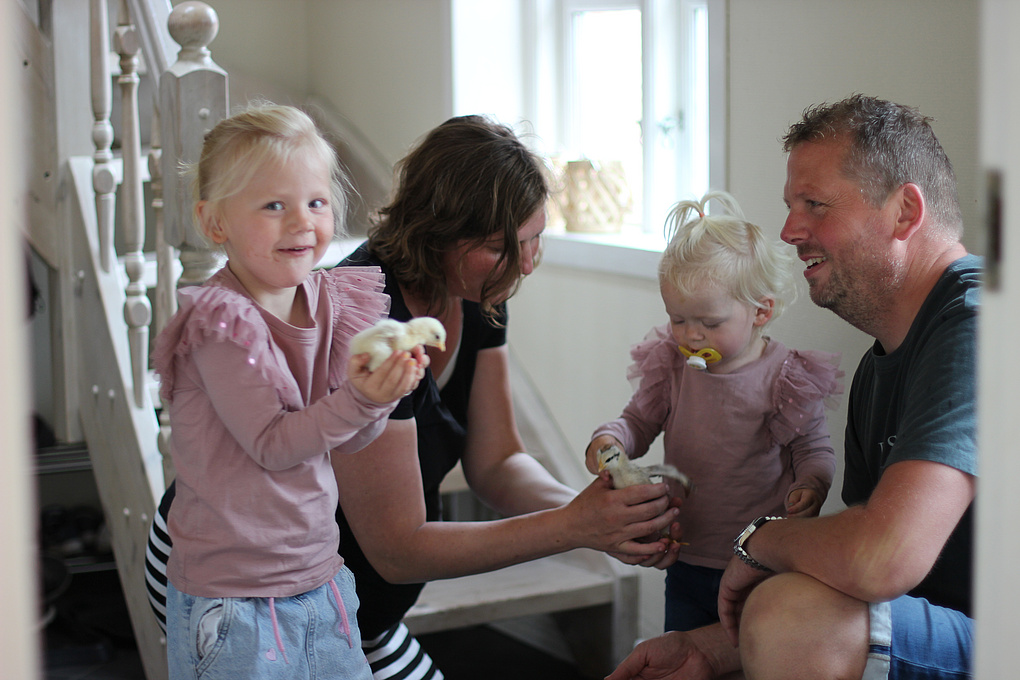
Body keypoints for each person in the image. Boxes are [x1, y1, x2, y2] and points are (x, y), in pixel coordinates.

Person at [148, 114, 682, 680]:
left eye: (534, 239)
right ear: (439, 234)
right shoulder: (367, 318)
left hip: (344, 599)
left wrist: (601, 513)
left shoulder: (476, 292)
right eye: (504, 246)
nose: (525, 264)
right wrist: (575, 528)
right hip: (248, 580)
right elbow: (397, 547)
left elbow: (497, 464)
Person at [607, 94, 978, 680]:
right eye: (789, 205)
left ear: (905, 211)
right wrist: (708, 649)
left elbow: (881, 558)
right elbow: (854, 571)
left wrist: (761, 539)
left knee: (792, 609)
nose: (788, 229)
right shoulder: (881, 366)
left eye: (815, 204)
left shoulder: (980, 327)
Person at [153, 103, 425, 680]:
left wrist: (379, 396)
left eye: (315, 202)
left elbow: (350, 441)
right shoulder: (220, 322)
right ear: (215, 222)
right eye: (273, 205)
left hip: (318, 578)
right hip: (234, 599)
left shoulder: (330, 301)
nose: (301, 221)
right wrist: (358, 400)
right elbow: (275, 444)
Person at [586, 191, 840, 633]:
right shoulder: (672, 365)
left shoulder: (784, 376)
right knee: (681, 653)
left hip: (759, 561)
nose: (689, 334)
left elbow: (812, 446)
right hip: (686, 557)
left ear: (762, 310)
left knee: (748, 657)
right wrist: (611, 439)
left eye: (709, 322)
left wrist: (812, 483)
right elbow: (638, 422)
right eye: (677, 319)